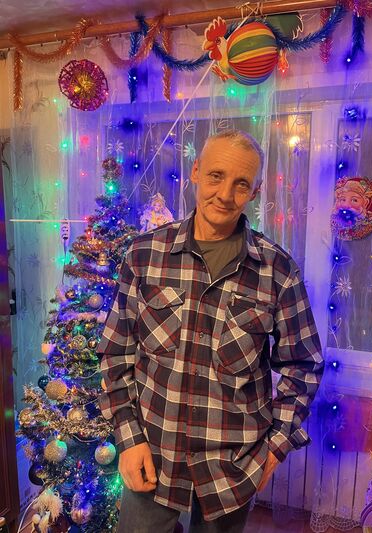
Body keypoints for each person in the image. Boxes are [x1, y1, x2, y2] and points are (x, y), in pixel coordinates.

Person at [98, 130, 324, 533]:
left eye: (241, 184)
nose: (225, 194)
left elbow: (303, 366)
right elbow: (117, 353)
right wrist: (128, 438)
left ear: (255, 191)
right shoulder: (144, 255)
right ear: (196, 172)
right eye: (216, 176)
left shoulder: (277, 271)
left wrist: (274, 448)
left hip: (232, 471)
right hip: (152, 458)